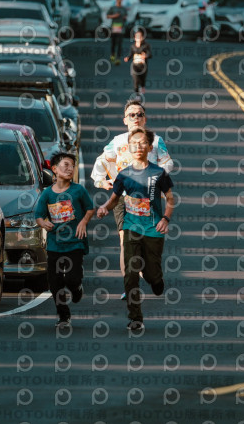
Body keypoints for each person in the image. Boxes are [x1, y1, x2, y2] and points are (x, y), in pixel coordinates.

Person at [91, 99, 173, 300]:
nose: (136, 117)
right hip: (124, 197)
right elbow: (102, 160)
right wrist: (101, 181)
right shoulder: (118, 141)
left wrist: (156, 178)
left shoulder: (156, 141)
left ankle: (150, 274)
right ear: (125, 120)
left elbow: (167, 162)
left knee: (146, 242)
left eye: (139, 114)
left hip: (149, 198)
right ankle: (129, 286)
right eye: (132, 115)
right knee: (125, 241)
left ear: (145, 119)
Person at [97, 128, 174, 331]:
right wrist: (104, 208)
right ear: (128, 148)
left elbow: (170, 199)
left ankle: (156, 281)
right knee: (131, 272)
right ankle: (135, 317)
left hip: (153, 230)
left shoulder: (159, 173)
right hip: (131, 227)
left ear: (149, 147)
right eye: (134, 143)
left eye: (142, 143)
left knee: (151, 274)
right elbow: (114, 199)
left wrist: (165, 219)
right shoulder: (124, 175)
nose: (138, 146)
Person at [36, 153, 95, 327]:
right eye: (66, 165)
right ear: (54, 169)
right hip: (55, 244)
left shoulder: (78, 190)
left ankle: (77, 288)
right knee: (54, 282)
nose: (70, 169)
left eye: (72, 166)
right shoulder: (47, 194)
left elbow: (90, 208)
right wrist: (44, 223)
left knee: (71, 279)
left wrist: (83, 222)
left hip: (75, 242)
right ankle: (63, 316)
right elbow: (38, 215)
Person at [124, 28, 151, 94]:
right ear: (135, 38)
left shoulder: (146, 46)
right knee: (135, 80)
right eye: (137, 37)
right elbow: (131, 54)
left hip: (143, 66)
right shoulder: (133, 46)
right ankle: (137, 94)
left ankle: (142, 86)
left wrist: (145, 56)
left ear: (142, 37)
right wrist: (128, 58)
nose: (138, 38)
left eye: (140, 36)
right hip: (135, 66)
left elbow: (150, 54)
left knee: (142, 79)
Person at [107, 0, 128, 65]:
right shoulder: (113, 8)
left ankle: (118, 58)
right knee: (113, 43)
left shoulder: (124, 9)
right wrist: (115, 16)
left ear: (122, 0)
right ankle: (113, 55)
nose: (119, 0)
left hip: (121, 28)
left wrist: (124, 18)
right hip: (114, 28)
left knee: (120, 44)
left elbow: (126, 17)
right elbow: (108, 16)